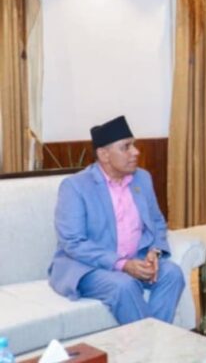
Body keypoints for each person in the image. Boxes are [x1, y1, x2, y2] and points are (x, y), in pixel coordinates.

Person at [49, 115, 185, 325]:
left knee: (172, 274)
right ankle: (153, 344)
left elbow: (157, 222)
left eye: (134, 145)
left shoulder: (142, 178)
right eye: (126, 147)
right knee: (124, 286)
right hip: (88, 267)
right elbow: (73, 242)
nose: (136, 152)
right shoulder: (75, 187)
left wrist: (154, 251)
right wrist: (122, 265)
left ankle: (153, 341)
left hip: (135, 258)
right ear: (104, 154)